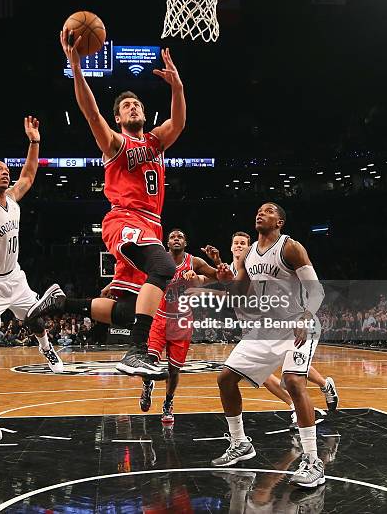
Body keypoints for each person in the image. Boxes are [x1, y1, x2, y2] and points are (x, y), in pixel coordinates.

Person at [60, 29, 186, 378]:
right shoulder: (115, 143)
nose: (133, 107)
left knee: (131, 309)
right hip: (125, 218)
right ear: (118, 118)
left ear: (145, 114)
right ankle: (137, 351)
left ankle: (62, 303)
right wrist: (76, 68)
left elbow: (179, 122)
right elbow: (89, 111)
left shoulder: (156, 141)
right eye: (126, 106)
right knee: (164, 268)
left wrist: (177, 87)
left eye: (137, 104)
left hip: (152, 224)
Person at [0, 116, 66, 442]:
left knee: (36, 319)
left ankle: (46, 349)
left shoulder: (13, 198)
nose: (5, 171)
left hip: (14, 278)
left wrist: (34, 142)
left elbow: (29, 174)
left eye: (7, 168)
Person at [211, 203, 326, 489]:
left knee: (293, 381)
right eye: (259, 210)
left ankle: (313, 460)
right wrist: (227, 281)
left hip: (298, 324)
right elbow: (241, 293)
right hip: (266, 328)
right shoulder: (249, 254)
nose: (261, 213)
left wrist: (306, 316)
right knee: (225, 378)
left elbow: (316, 290)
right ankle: (240, 444)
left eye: (269, 210)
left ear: (280, 222)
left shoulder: (290, 248)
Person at [203, 231, 339, 419]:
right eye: (236, 243)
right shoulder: (233, 268)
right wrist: (213, 266)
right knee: (272, 374)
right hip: (252, 327)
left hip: (268, 322)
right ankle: (320, 388)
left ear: (249, 246)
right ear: (231, 246)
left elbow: (246, 298)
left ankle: (304, 399)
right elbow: (222, 282)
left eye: (243, 243)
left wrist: (206, 294)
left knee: (289, 373)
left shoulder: (253, 266)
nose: (239, 246)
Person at [139, 229, 220, 424]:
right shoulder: (158, 259)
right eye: (172, 237)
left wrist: (213, 264)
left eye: (180, 237)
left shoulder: (195, 262)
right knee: (148, 361)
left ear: (185, 242)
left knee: (174, 370)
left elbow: (219, 276)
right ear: (167, 243)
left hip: (182, 321)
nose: (176, 239)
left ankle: (168, 403)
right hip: (159, 318)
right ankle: (147, 385)